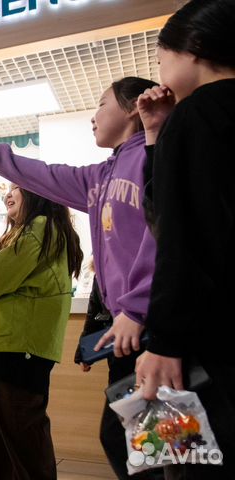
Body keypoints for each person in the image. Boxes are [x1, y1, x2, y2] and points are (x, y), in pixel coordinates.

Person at [0, 77, 163, 480]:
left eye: (102, 104)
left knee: (161, 449)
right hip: (131, 336)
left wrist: (137, 310)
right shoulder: (101, 175)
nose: (93, 115)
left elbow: (168, 240)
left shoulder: (155, 158)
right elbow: (45, 174)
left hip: (158, 330)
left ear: (134, 107)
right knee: (129, 441)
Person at [134, 1, 235, 477]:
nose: (162, 72)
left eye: (160, 60)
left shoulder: (196, 116)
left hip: (210, 338)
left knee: (182, 457)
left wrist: (165, 339)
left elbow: (176, 233)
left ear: (191, 50)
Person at [0, 184, 83, 479]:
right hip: (8, 345)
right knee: (9, 436)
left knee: (21, 437)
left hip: (17, 347)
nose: (7, 194)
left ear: (36, 191)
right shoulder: (38, 230)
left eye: (16, 187)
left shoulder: (41, 227)